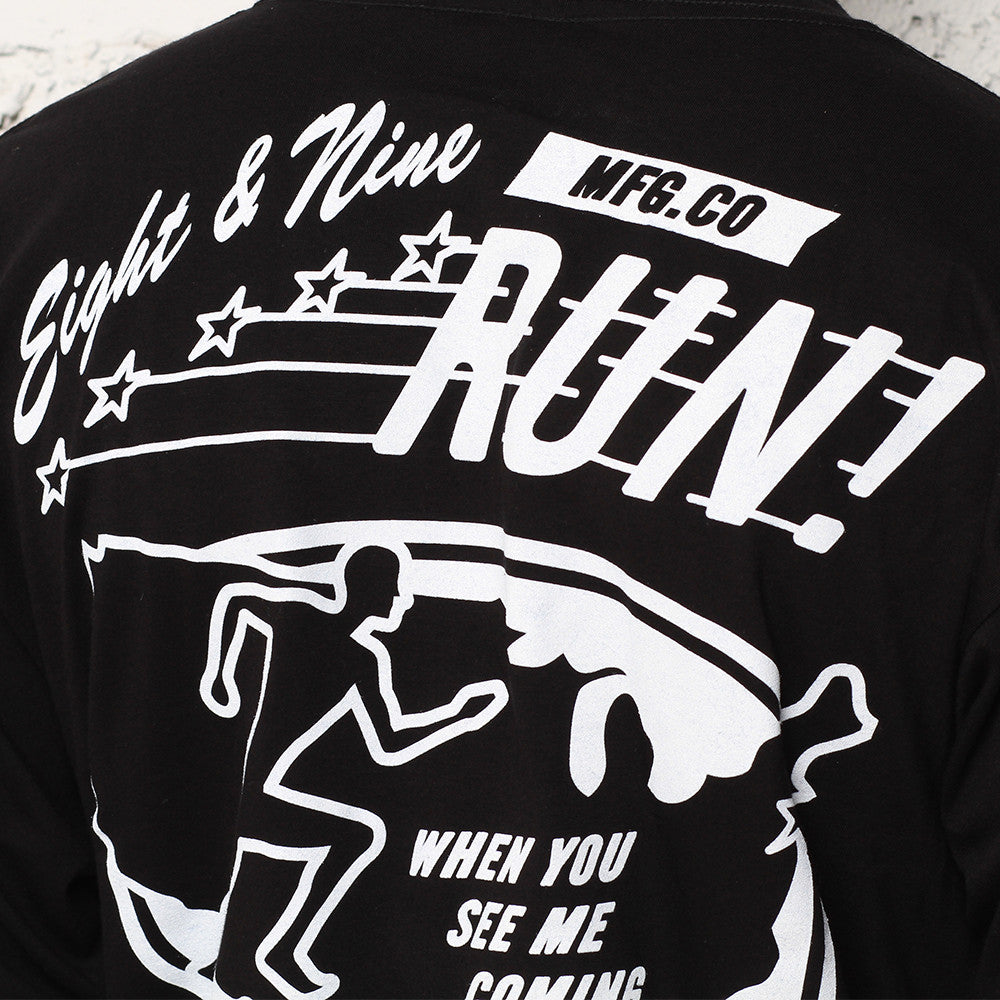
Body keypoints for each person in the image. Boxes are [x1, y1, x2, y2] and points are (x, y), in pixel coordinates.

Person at [2, 0, 1000, 997]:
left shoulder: (40, 216)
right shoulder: (963, 217)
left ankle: (269, 953)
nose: (393, 602)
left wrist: (450, 706)